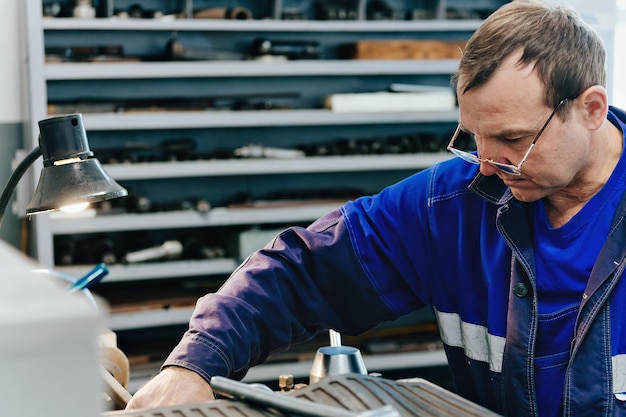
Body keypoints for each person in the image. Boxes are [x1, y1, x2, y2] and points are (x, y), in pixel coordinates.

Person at [126, 1, 626, 416]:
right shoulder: (453, 204)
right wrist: (192, 366)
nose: (489, 165)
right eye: (475, 139)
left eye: (513, 139)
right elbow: (300, 273)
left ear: (591, 109)